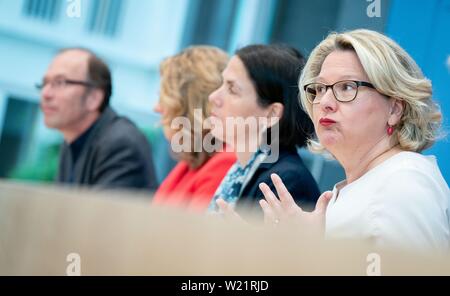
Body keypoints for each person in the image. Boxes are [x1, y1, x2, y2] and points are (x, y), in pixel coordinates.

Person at [255, 29, 450, 252]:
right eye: (319, 89)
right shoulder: (373, 180)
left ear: (395, 109)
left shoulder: (403, 184)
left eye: (347, 87)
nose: (325, 102)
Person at [209, 44, 320, 217]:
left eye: (232, 89)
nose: (213, 97)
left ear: (271, 114)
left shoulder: (285, 183)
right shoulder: (243, 168)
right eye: (221, 84)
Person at [38, 48, 158, 190]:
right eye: (45, 83)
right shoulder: (71, 141)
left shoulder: (121, 143)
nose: (45, 93)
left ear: (94, 98)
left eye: (60, 83)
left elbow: (101, 212)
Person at [152, 46, 236, 211]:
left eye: (165, 99)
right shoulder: (196, 158)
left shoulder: (224, 162)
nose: (157, 108)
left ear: (189, 105)